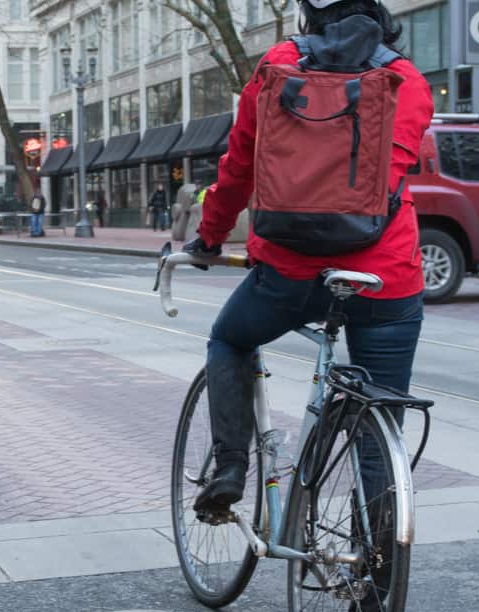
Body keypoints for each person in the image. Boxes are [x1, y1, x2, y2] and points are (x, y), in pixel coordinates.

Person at [184, 0, 432, 518]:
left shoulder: (279, 65)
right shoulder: (404, 78)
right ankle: (377, 574)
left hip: (290, 272)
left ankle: (230, 467)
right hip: (383, 275)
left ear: (308, 15)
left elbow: (240, 164)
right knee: (379, 416)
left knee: (229, 339)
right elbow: (396, 168)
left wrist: (210, 236)